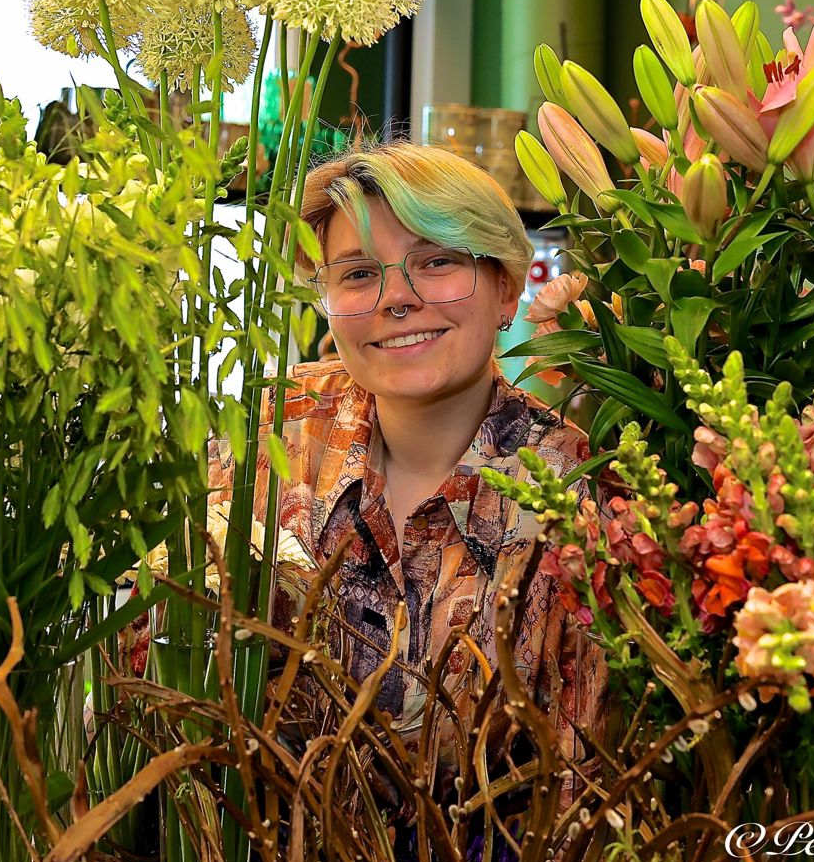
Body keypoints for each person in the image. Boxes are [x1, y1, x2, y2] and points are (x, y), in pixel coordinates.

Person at [206, 143, 609, 805]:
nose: (396, 297)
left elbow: (583, 799)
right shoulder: (265, 439)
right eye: (359, 274)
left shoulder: (576, 496)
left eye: (437, 261)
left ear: (506, 287)